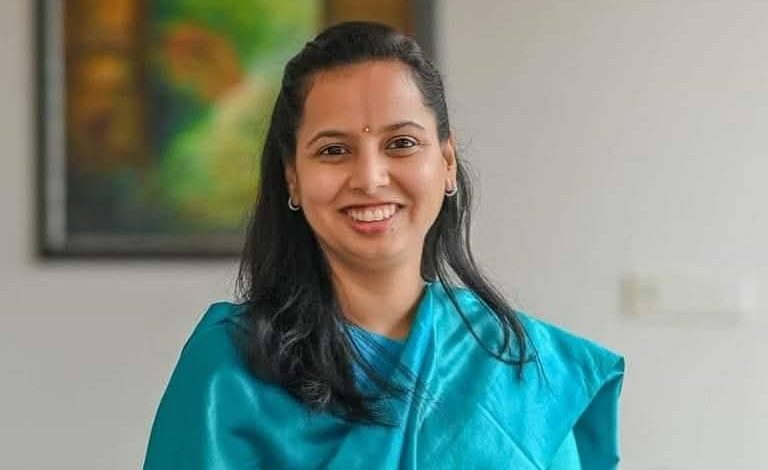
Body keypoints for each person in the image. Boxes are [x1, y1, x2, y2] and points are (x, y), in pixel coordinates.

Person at [143, 21, 624, 470]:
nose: (370, 178)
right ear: (293, 177)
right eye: (334, 150)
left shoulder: (525, 369)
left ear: (447, 162)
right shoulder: (230, 366)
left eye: (401, 144)